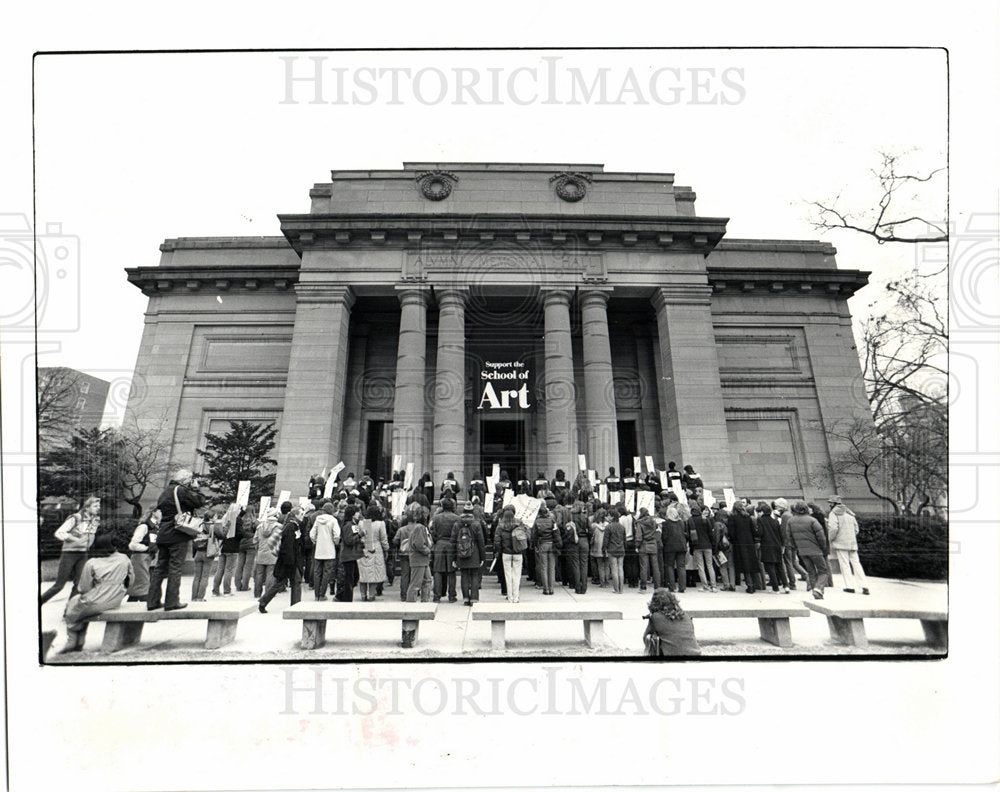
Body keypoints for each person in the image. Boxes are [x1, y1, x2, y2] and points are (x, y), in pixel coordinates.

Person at [60, 533, 133, 653]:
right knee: (81, 607)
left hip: (97, 600)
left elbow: (84, 588)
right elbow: (131, 580)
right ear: (114, 546)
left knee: (73, 605)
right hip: (116, 600)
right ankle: (78, 641)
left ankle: (73, 641)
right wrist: (120, 591)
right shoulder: (124, 558)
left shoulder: (92, 562)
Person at [147, 469, 206, 611]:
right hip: (177, 533)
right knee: (175, 567)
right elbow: (200, 501)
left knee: (160, 568)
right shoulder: (181, 490)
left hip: (163, 533)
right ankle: (172, 601)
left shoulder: (165, 491)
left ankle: (152, 601)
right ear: (187, 480)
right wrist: (196, 488)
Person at [40, 496, 101, 604]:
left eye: (99, 505)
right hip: (69, 553)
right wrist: (75, 539)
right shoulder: (76, 518)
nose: (98, 508)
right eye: (95, 506)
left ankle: (69, 611)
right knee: (59, 585)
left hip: (83, 554)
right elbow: (59, 533)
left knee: (79, 585)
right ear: (87, 507)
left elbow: (91, 535)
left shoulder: (95, 520)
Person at [258, 506, 307, 613]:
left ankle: (263, 601)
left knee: (282, 583)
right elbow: (288, 546)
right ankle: (295, 606)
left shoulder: (294, 526)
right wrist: (291, 562)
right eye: (301, 514)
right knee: (293, 582)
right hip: (290, 561)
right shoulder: (291, 527)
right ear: (296, 515)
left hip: (290, 560)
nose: (303, 516)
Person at [787, 500, 831, 599]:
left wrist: (796, 547)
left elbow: (789, 538)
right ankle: (819, 589)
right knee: (823, 570)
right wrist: (824, 548)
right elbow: (821, 536)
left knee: (811, 571)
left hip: (802, 551)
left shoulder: (791, 521)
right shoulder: (812, 520)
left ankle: (816, 591)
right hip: (815, 549)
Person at [827, 496, 869, 594]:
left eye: (830, 502)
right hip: (852, 543)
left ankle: (849, 586)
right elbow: (856, 529)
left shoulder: (833, 514)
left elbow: (833, 528)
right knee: (856, 564)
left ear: (834, 503)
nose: (829, 504)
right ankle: (864, 586)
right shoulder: (849, 513)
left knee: (844, 564)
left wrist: (830, 539)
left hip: (840, 543)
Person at [642, 588, 701, 657]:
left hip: (673, 657)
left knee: (651, 638)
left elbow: (645, 637)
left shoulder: (655, 617)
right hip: (696, 653)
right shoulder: (685, 615)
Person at [451, 501, 486, 605]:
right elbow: (481, 541)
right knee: (474, 575)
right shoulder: (476, 523)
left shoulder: (457, 524)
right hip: (474, 553)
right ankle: (474, 598)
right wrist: (482, 557)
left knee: (464, 575)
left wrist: (453, 557)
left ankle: (466, 598)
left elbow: (453, 541)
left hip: (461, 553)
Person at [727, 500, 763, 593]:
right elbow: (753, 531)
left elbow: (731, 533)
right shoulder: (747, 517)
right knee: (752, 563)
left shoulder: (733, 517)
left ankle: (750, 585)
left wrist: (733, 540)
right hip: (749, 543)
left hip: (739, 544)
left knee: (745, 564)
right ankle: (757, 584)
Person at [191, 505, 224, 601]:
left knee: (197, 576)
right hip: (208, 553)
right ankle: (200, 597)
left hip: (198, 553)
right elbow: (222, 536)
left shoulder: (199, 526)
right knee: (205, 576)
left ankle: (194, 597)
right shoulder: (212, 526)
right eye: (215, 516)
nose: (216, 518)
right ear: (211, 517)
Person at [429, 498, 460, 603]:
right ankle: (452, 596)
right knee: (451, 571)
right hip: (451, 545)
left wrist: (436, 539)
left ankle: (436, 596)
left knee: (437, 571)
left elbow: (431, 531)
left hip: (439, 544)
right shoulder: (457, 518)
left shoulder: (436, 518)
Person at [126, 508, 159, 602]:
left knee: (139, 588)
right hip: (140, 557)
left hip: (149, 558)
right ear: (154, 512)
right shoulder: (144, 526)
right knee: (143, 586)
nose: (162, 513)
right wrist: (147, 548)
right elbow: (132, 544)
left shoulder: (155, 527)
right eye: (160, 511)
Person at [756, 502, 790, 593]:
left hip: (767, 546)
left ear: (762, 512)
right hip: (777, 545)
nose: (758, 513)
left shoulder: (760, 520)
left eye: (759, 511)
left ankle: (775, 588)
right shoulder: (775, 521)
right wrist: (782, 545)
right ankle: (786, 586)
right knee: (780, 566)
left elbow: (760, 533)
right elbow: (780, 534)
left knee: (770, 568)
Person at [357, 505, 389, 601]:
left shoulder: (361, 523)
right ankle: (371, 594)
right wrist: (386, 549)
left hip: (363, 547)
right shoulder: (380, 524)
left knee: (363, 573)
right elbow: (384, 538)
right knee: (373, 573)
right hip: (376, 548)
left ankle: (363, 595)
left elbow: (358, 534)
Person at [309, 503, 340, 600]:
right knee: (327, 573)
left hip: (319, 549)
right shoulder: (333, 520)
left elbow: (312, 533)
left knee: (317, 572)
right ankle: (322, 594)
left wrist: (315, 541)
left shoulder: (318, 519)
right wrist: (335, 542)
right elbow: (337, 534)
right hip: (329, 550)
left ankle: (316, 594)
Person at [494, 506, 524, 603]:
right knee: (517, 575)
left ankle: (510, 596)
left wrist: (499, 551)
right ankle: (516, 596)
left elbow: (497, 541)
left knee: (508, 575)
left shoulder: (500, 525)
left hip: (506, 553)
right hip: (518, 552)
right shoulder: (519, 523)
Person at [212, 502, 242, 597]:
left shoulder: (225, 520)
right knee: (229, 570)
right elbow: (241, 534)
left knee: (220, 569)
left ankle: (215, 590)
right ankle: (227, 590)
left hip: (223, 546)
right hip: (233, 548)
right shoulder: (236, 521)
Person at [335, 505, 364, 601]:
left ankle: (341, 595)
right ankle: (346, 598)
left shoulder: (352, 524)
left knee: (353, 577)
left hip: (351, 555)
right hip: (348, 555)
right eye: (357, 512)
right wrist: (360, 535)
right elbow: (349, 540)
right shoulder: (349, 525)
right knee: (350, 578)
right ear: (353, 514)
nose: (358, 514)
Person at [252, 507, 283, 599]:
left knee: (259, 574)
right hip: (273, 553)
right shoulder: (278, 527)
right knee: (270, 574)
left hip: (261, 553)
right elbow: (280, 540)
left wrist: (258, 548)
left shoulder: (260, 526)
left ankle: (257, 593)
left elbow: (255, 540)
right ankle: (268, 594)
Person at [688, 504, 718, 592]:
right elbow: (710, 533)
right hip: (707, 545)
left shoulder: (690, 520)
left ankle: (705, 586)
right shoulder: (705, 519)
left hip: (697, 545)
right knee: (710, 565)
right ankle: (714, 586)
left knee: (701, 566)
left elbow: (690, 536)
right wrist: (713, 544)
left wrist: (691, 547)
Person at [531, 504, 559, 595]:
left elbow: (534, 535)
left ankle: (545, 588)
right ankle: (552, 588)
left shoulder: (537, 521)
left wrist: (534, 545)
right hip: (551, 543)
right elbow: (556, 533)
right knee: (551, 567)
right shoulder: (552, 520)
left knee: (543, 567)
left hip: (542, 543)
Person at [659, 503, 687, 593]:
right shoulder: (681, 522)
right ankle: (682, 587)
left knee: (670, 566)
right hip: (682, 546)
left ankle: (672, 587)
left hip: (670, 547)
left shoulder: (666, 523)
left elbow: (665, 536)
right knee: (681, 567)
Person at [405, 515, 433, 604]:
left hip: (422, 560)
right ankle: (411, 603)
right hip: (419, 559)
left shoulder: (421, 528)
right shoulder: (420, 528)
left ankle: (425, 601)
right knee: (416, 583)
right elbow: (419, 544)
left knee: (427, 580)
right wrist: (428, 550)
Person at [636, 506, 662, 591]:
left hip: (644, 545)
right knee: (655, 566)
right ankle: (657, 586)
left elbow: (639, 536)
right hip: (653, 545)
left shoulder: (640, 523)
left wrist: (637, 546)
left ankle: (643, 587)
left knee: (644, 567)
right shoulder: (653, 522)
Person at [603, 508, 626, 593]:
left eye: (609, 515)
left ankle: (616, 588)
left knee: (614, 569)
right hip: (621, 549)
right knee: (620, 568)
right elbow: (624, 539)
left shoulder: (608, 527)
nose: (607, 517)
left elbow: (606, 540)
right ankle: (621, 589)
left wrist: (604, 549)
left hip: (612, 550)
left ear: (612, 517)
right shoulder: (622, 527)